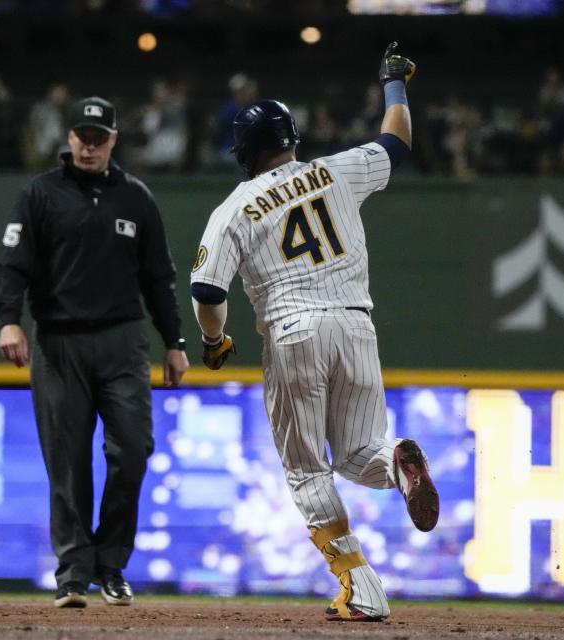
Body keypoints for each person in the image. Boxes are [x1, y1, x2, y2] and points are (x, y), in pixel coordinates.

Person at [189, 43, 438, 621]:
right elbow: (398, 143)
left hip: (293, 330)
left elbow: (207, 292)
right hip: (356, 325)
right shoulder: (335, 170)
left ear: (244, 153)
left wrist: (212, 342)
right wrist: (393, 82)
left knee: (307, 468)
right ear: (293, 140)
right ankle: (397, 457)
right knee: (359, 454)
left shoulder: (236, 207)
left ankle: (360, 584)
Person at [0, 96, 190, 608]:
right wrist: (9, 320)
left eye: (99, 137)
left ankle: (112, 564)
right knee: (67, 462)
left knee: (132, 451)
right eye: (82, 135)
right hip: (58, 344)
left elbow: (160, 280)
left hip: (123, 343)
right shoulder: (40, 194)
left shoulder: (136, 198)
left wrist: (175, 342)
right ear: (69, 138)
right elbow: (12, 264)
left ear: (113, 142)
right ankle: (74, 574)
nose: (89, 145)